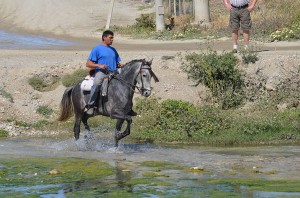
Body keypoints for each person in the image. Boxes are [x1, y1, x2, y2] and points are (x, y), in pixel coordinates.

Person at [85, 30, 137, 116]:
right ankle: (90, 105)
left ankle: (128, 107)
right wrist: (99, 65)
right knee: (97, 83)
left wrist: (119, 64)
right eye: (110, 38)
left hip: (114, 73)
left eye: (113, 38)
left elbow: (117, 62)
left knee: (126, 85)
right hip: (102, 73)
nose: (112, 40)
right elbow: (88, 64)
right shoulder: (97, 49)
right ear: (104, 37)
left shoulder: (113, 50)